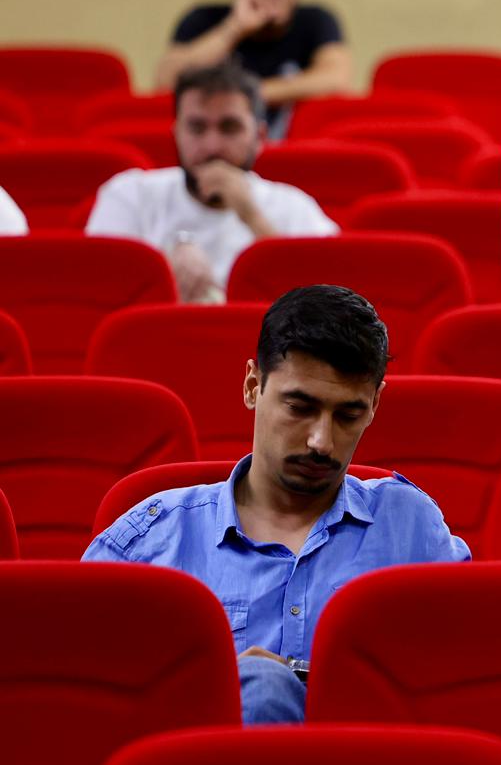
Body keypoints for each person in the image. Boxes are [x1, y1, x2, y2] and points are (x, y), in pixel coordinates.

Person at [83, 285, 471, 723]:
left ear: (375, 404)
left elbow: (466, 684)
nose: (321, 442)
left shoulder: (411, 527)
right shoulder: (149, 543)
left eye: (348, 416)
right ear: (253, 386)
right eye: (300, 407)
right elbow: (83, 699)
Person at [86, 61, 337, 303]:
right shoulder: (130, 194)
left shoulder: (295, 207)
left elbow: (328, 309)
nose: (212, 146)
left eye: (230, 128)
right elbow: (98, 294)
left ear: (259, 137)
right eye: (197, 128)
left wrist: (252, 216)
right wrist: (162, 266)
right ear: (176, 134)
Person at [153, 0, 351, 138]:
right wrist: (234, 28)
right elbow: (166, 79)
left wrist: (246, 95)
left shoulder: (317, 19)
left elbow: (336, 78)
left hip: (294, 147)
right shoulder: (203, 18)